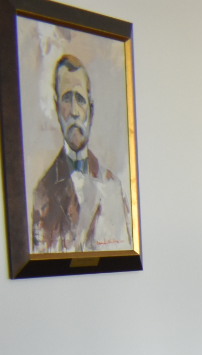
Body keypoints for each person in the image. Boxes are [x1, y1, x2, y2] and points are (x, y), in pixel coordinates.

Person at [30, 54, 131, 254]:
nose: (74, 111)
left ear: (91, 110)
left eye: (80, 100)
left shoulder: (113, 186)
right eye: (67, 99)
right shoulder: (42, 192)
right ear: (57, 107)